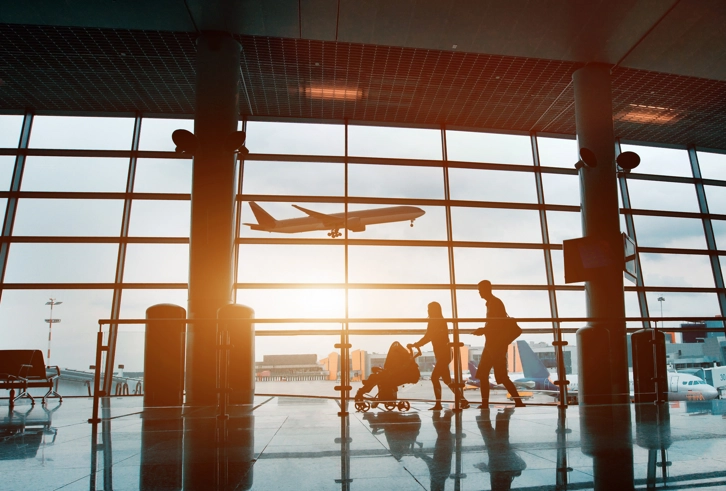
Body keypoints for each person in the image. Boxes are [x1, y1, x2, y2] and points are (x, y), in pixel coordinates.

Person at [473, 280, 525, 408]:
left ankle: (516, 401)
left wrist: (483, 330)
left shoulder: (495, 303)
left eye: (480, 289)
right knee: (489, 374)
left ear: (487, 289)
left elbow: (498, 325)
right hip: (492, 345)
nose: (479, 292)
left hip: (495, 346)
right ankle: (514, 401)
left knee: (498, 375)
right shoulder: (491, 303)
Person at [409, 302, 468, 410]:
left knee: (434, 377)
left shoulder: (435, 321)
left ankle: (438, 404)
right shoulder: (441, 321)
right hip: (444, 354)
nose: (428, 311)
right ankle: (463, 400)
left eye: (429, 309)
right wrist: (417, 344)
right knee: (447, 380)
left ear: (433, 310)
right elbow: (430, 336)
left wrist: (417, 344)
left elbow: (428, 336)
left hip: (443, 354)